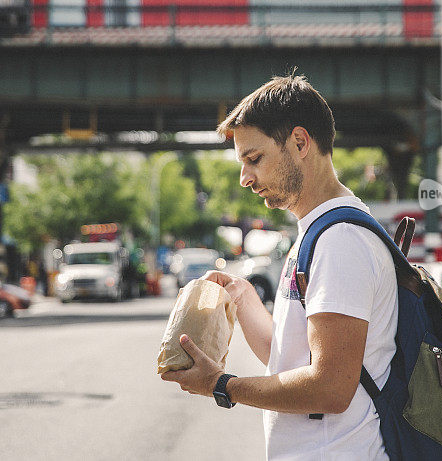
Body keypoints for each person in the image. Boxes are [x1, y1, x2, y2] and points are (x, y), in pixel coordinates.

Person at [161, 74, 398, 460]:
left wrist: (223, 384)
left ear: (300, 142)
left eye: (254, 159)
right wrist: (242, 296)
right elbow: (289, 357)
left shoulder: (340, 241)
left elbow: (330, 387)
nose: (245, 178)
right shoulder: (317, 232)